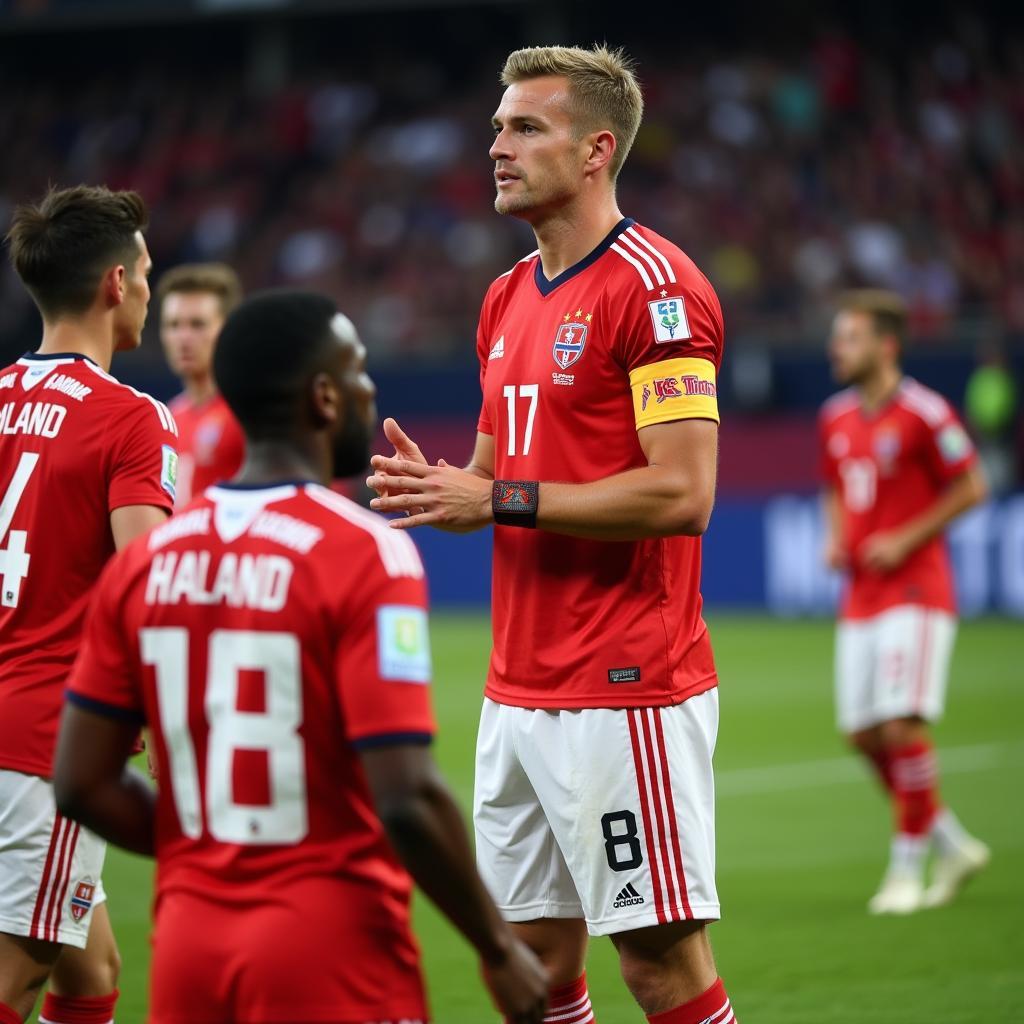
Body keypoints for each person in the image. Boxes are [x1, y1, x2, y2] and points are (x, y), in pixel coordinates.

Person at [52, 289, 548, 1024]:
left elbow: (78, 783)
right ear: (322, 398)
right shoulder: (366, 554)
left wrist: (204, 848)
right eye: (357, 374)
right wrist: (500, 949)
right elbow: (407, 795)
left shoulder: (145, 562)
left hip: (189, 951)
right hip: (331, 949)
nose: (369, 391)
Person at [369, 45, 737, 1024]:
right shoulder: (503, 297)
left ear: (594, 150)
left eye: (525, 127)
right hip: (515, 687)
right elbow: (496, 481)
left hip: (623, 686)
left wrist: (497, 501)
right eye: (496, 126)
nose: (496, 145)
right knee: (531, 968)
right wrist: (445, 489)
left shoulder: (656, 289)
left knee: (660, 966)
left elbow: (681, 494)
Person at [0, 185, 178, 1024]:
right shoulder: (130, 420)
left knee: (88, 962)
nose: (151, 290)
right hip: (46, 738)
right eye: (147, 273)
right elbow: (146, 584)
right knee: (19, 969)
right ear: (116, 283)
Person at [819, 289, 991, 915]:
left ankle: (906, 871)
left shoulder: (925, 412)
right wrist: (836, 537)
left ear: (886, 346)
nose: (837, 348)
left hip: (916, 589)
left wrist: (906, 536)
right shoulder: (835, 416)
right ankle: (951, 842)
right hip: (861, 591)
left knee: (901, 724)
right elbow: (833, 486)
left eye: (851, 337)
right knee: (863, 734)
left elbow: (973, 484)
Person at [157, 263, 245, 506]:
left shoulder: (248, 414)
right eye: (173, 325)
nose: (183, 338)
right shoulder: (168, 419)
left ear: (228, 329)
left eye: (197, 324)